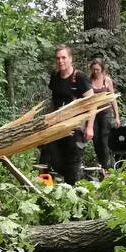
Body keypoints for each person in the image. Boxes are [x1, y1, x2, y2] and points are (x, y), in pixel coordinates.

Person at [46, 44, 94, 184]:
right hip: (58, 126)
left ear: (70, 59)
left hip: (76, 127)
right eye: (58, 58)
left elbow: (92, 104)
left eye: (63, 58)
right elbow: (53, 101)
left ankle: (74, 196)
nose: (60, 61)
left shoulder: (79, 78)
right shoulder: (54, 76)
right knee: (57, 162)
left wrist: (90, 127)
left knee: (72, 163)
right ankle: (83, 179)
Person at [87, 57, 121, 170]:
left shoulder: (107, 80)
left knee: (104, 139)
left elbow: (113, 98)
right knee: (96, 140)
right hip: (93, 115)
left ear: (102, 69)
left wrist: (117, 117)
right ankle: (102, 165)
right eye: (94, 69)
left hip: (106, 112)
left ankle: (107, 167)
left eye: (97, 69)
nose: (95, 72)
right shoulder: (88, 81)